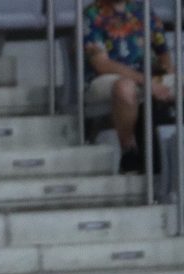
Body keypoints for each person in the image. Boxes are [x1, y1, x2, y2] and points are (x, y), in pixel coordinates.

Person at [83, 0, 175, 173]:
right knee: (125, 88)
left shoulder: (142, 9)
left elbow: (162, 50)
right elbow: (102, 64)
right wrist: (145, 81)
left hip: (146, 75)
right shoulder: (92, 15)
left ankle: (172, 151)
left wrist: (169, 75)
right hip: (105, 78)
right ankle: (129, 150)